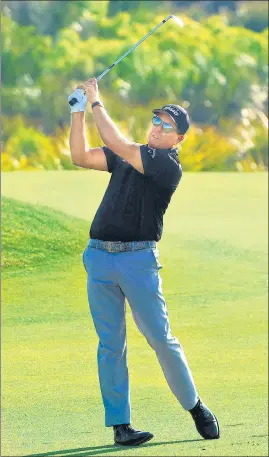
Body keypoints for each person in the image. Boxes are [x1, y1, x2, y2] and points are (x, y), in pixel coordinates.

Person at [68, 78, 220, 447]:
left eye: (168, 126)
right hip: (99, 258)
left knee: (161, 340)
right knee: (110, 345)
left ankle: (195, 405)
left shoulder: (167, 165)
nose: (158, 128)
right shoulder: (129, 153)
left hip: (138, 261)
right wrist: (77, 111)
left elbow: (119, 143)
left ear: (178, 138)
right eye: (157, 121)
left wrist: (96, 103)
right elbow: (81, 156)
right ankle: (121, 425)